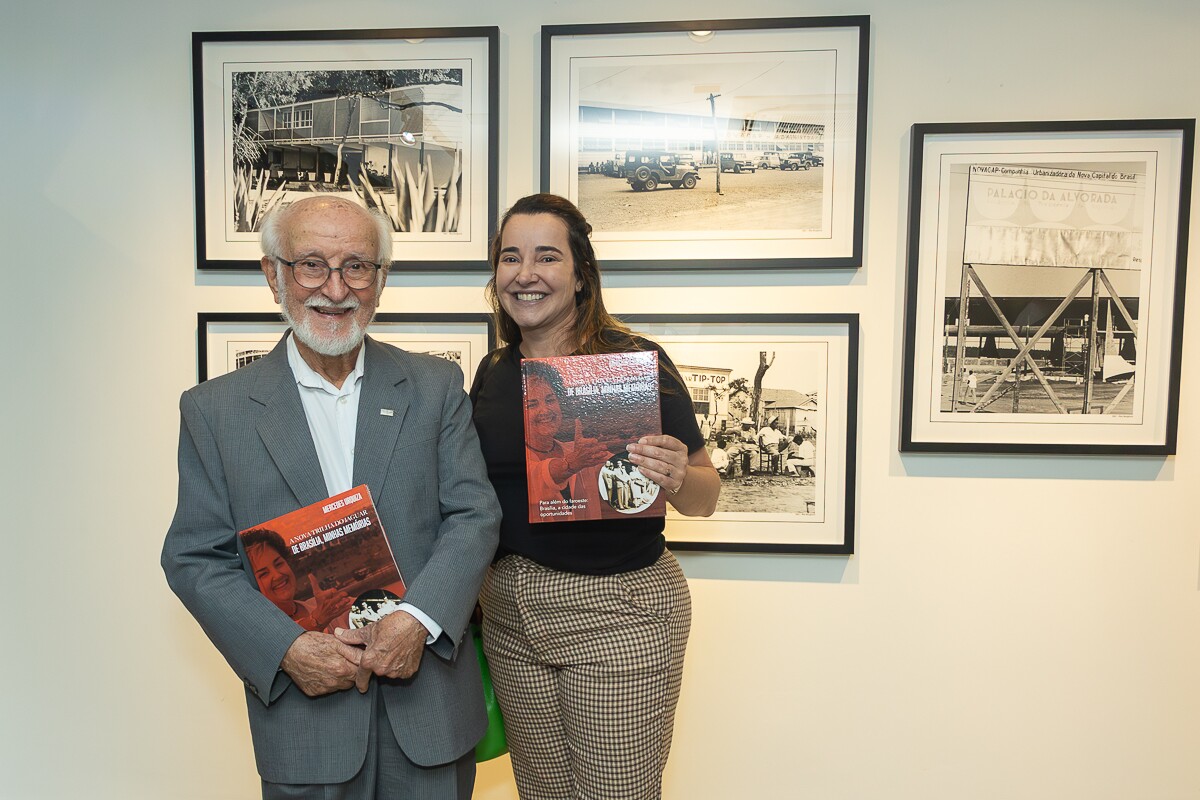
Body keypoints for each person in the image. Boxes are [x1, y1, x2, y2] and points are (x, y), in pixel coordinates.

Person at [161, 196, 501, 800]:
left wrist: (417, 623)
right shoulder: (215, 411)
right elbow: (193, 557)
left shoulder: (435, 386)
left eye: (357, 267)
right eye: (311, 265)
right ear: (273, 274)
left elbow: (474, 516)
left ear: (382, 279)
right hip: (304, 723)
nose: (335, 289)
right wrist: (285, 648)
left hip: (428, 714)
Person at [468, 193, 720, 799]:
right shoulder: (493, 374)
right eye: (510, 258)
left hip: (618, 611)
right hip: (510, 617)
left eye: (546, 257)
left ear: (581, 275)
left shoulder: (635, 364)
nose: (525, 274)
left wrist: (675, 473)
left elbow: (704, 498)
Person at [241, 528, 353, 632]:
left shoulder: (320, 605)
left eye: (279, 564)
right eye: (264, 574)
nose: (278, 575)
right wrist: (317, 621)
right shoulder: (258, 633)